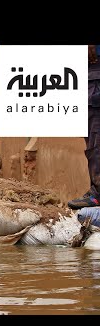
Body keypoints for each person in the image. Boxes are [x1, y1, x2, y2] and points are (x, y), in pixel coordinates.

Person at [68, 45, 100, 209]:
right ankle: (95, 190)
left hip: (96, 76)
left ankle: (98, 194)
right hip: (85, 75)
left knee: (96, 139)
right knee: (91, 141)